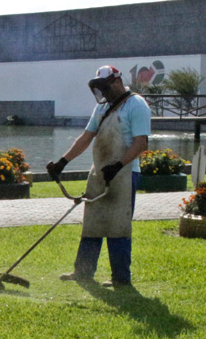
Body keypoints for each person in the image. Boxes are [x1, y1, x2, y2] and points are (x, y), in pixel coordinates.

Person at [46, 65, 151, 288]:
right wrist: (62, 163)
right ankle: (82, 272)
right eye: (99, 88)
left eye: (105, 87)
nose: (102, 93)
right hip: (100, 173)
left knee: (118, 225)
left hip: (125, 174)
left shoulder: (136, 104)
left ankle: (121, 278)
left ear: (116, 82)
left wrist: (118, 165)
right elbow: (86, 137)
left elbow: (141, 143)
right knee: (92, 224)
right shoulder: (102, 109)